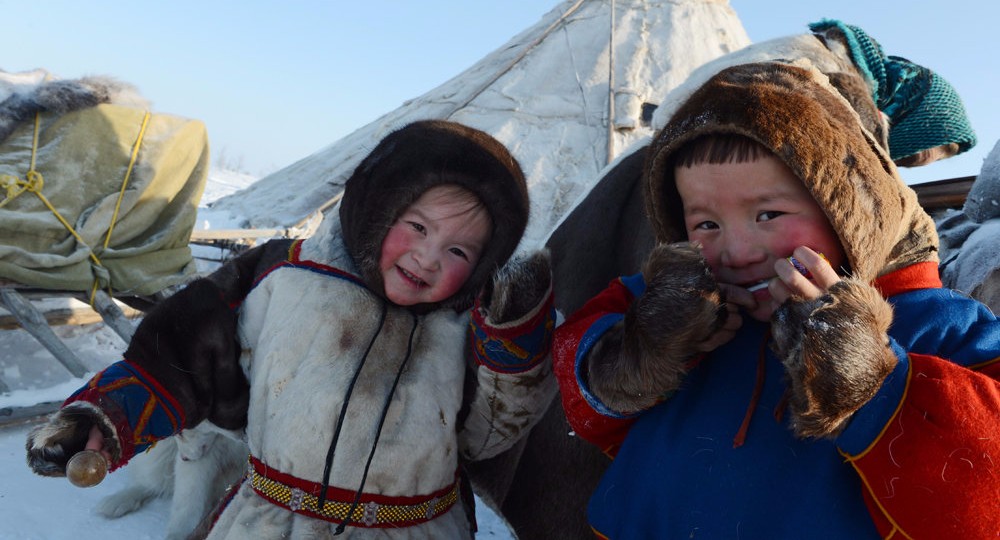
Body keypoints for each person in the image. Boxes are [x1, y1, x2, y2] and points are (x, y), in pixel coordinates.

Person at [26, 120, 558, 538]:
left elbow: (488, 433)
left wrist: (515, 343)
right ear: (377, 207)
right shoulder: (285, 274)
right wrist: (105, 417)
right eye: (417, 226)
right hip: (270, 523)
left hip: (415, 528)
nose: (428, 257)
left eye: (459, 250)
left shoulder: (467, 323)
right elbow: (179, 358)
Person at [553, 62, 1000, 538]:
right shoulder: (668, 306)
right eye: (706, 224)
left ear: (846, 210)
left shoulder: (932, 323)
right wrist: (640, 352)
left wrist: (874, 382)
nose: (738, 251)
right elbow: (580, 396)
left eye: (768, 213)